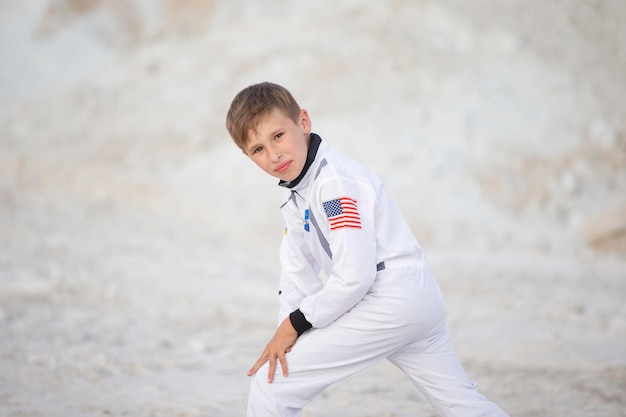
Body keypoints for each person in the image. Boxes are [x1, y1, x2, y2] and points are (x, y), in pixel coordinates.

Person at [225, 81, 509, 417]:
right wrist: (286, 333)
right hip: (414, 297)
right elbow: (297, 273)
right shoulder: (297, 191)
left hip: (390, 297)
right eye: (257, 149)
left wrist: (294, 326)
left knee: (272, 386)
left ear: (303, 122)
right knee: (462, 405)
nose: (274, 155)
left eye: (278, 136)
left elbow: (354, 277)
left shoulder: (333, 184)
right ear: (246, 156)